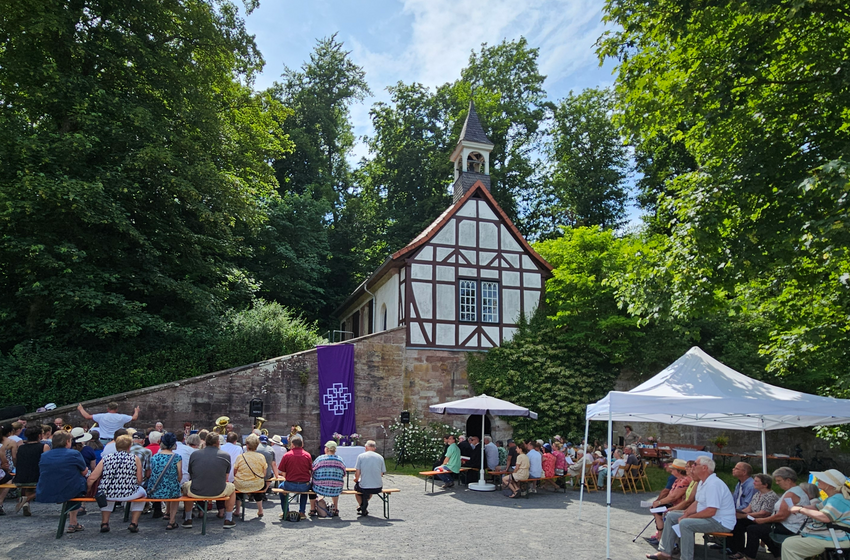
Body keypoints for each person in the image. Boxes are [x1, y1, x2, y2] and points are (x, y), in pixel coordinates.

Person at [650, 456, 736, 560]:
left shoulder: (714, 484)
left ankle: (686, 558)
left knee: (686, 524)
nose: (692, 467)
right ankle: (665, 552)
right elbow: (697, 502)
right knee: (671, 515)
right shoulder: (702, 482)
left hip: (720, 521)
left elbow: (711, 511)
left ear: (704, 468)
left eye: (695, 464)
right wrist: (686, 514)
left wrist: (688, 518)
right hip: (711, 518)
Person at [781, 468, 850, 560]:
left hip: (839, 539)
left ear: (829, 484)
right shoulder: (834, 497)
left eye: (821, 479)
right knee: (789, 541)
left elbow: (825, 517)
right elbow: (816, 508)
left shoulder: (837, 499)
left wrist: (801, 509)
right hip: (834, 536)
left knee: (790, 545)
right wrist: (798, 507)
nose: (817, 480)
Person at [746, 467, 811, 559]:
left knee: (753, 529)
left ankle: (749, 556)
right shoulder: (795, 491)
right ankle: (778, 554)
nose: (777, 483)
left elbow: (782, 516)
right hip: (792, 525)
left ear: (788, 480)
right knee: (760, 529)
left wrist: (763, 520)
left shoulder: (791, 494)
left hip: (792, 527)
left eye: (779, 480)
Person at [87, 434, 147, 533]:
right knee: (143, 495)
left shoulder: (106, 458)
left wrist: (88, 490)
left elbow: (92, 477)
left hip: (108, 493)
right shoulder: (134, 458)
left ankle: (105, 522)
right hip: (129, 493)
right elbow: (139, 479)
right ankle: (134, 523)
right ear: (129, 447)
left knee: (107, 493)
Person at [181, 432, 237, 529]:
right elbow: (226, 477)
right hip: (218, 490)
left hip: (196, 490)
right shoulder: (225, 455)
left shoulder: (195, 454)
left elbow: (191, 473)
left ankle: (188, 518)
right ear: (218, 442)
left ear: (205, 442)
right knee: (232, 488)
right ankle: (228, 519)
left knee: (186, 487)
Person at [36, 431, 89, 532]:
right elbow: (83, 471)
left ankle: (74, 523)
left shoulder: (44, 455)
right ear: (67, 442)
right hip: (70, 488)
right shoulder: (74, 453)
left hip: (48, 487)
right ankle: (73, 522)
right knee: (79, 485)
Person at [728, 473, 779, 559]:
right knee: (737, 522)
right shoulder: (757, 494)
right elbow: (749, 508)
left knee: (751, 528)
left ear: (765, 485)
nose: (753, 483)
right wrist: (737, 513)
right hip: (753, 517)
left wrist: (745, 516)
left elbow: (764, 513)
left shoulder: (771, 496)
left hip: (764, 520)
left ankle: (749, 555)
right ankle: (737, 550)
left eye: (756, 481)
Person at [647, 459, 692, 545]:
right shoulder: (678, 479)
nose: (671, 470)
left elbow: (673, 496)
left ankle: (661, 537)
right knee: (655, 509)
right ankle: (660, 535)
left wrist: (659, 502)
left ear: (678, 471)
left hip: (680, 506)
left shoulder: (685, 480)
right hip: (675, 504)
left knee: (657, 509)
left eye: (673, 469)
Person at [148, 432, 182, 529]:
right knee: (174, 489)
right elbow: (179, 476)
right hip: (171, 490)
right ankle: (172, 521)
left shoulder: (154, 457)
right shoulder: (177, 457)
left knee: (171, 486)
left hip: (155, 490)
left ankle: (167, 513)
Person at [12, 426, 49, 516]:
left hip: (20, 478)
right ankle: (28, 498)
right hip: (37, 477)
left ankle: (25, 503)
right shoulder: (44, 446)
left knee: (30, 484)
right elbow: (48, 463)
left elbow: (16, 461)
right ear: (40, 435)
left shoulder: (21, 448)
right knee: (52, 483)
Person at [233, 434, 268, 519]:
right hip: (257, 484)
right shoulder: (261, 457)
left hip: (241, 483)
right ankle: (260, 510)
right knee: (258, 487)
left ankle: (237, 510)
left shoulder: (240, 457)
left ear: (247, 445)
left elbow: (235, 472)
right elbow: (264, 473)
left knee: (238, 489)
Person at [278, 435, 313, 519]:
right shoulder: (307, 455)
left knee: (280, 488)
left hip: (290, 484)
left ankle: (286, 511)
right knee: (306, 490)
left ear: (292, 445)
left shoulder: (286, 455)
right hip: (304, 485)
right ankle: (302, 512)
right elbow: (310, 470)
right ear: (301, 445)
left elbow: (282, 471)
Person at [310, 441, 346, 517]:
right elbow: (344, 474)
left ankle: (312, 509)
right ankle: (336, 508)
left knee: (311, 487)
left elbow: (312, 471)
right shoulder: (340, 460)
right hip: (336, 489)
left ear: (326, 449)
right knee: (336, 483)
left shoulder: (320, 459)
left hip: (319, 488)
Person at [353, 440, 385, 517]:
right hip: (378, 486)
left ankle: (362, 505)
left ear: (366, 447)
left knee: (357, 488)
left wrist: (356, 479)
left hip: (364, 487)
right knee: (370, 485)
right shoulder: (380, 457)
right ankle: (363, 504)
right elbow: (381, 473)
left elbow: (357, 473)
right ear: (375, 448)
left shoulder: (361, 456)